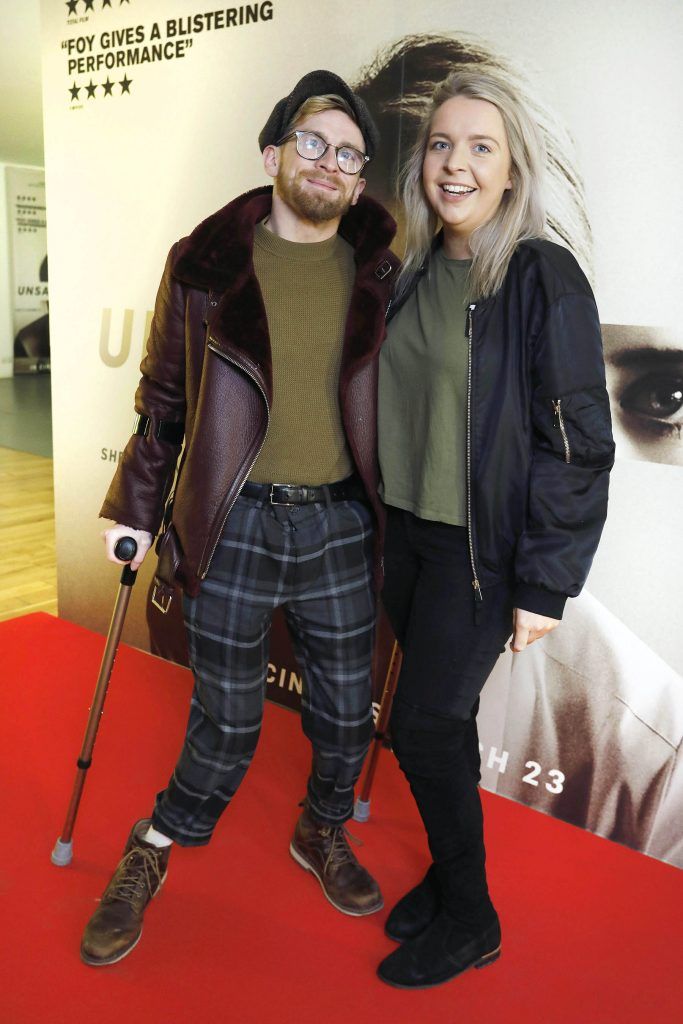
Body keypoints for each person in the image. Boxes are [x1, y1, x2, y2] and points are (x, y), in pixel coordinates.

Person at [80, 69, 399, 967]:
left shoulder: (380, 271)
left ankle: (321, 830)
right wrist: (134, 503)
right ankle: (153, 847)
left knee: (344, 713)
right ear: (273, 154)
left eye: (348, 153)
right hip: (234, 522)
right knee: (227, 722)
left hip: (340, 522)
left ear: (359, 177)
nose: (329, 163)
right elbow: (162, 398)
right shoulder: (204, 265)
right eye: (312, 142)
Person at [374, 67, 614, 988]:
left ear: (511, 170)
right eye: (440, 144)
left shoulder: (538, 275)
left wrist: (544, 580)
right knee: (442, 722)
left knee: (423, 728)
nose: (455, 163)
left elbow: (577, 442)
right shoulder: (407, 269)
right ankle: (446, 872)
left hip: (482, 553)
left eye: (480, 146)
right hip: (406, 537)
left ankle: (471, 919)